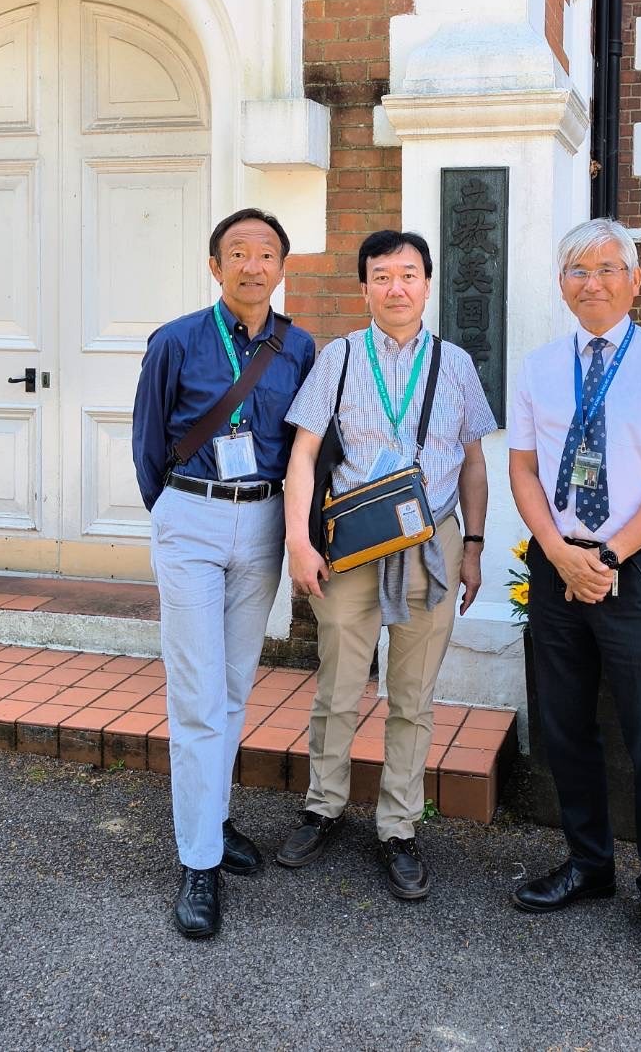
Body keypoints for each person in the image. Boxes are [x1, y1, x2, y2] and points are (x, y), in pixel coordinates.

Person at [507, 217, 641, 976]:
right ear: (561, 284)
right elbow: (523, 469)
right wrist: (559, 552)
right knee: (564, 729)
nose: (590, 282)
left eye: (605, 269)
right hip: (557, 566)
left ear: (634, 281)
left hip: (637, 569)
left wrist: (608, 554)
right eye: (576, 270)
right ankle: (589, 864)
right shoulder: (537, 367)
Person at [278, 229, 496, 900]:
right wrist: (298, 542)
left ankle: (399, 826)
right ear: (364, 287)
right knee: (338, 685)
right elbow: (303, 455)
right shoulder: (339, 357)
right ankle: (323, 805)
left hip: (433, 544)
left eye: (408, 274)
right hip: (350, 546)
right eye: (381, 275)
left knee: (413, 695)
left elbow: (474, 462)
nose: (395, 287)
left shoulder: (456, 363)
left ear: (427, 284)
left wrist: (474, 545)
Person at [132, 208, 315, 939]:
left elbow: (306, 446)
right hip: (193, 517)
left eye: (265, 253)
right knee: (197, 694)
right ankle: (198, 862)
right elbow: (148, 444)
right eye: (237, 252)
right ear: (215, 266)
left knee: (235, 685)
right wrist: (176, 512)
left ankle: (212, 815)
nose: (251, 265)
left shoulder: (298, 346)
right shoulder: (176, 340)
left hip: (264, 520)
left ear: (281, 267)